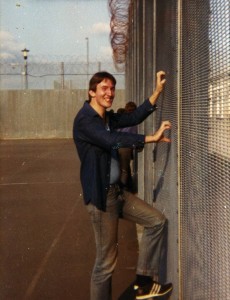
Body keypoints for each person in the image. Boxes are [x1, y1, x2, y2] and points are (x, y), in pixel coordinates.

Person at [73, 70, 173, 300]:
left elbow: (134, 117)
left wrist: (157, 92)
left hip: (117, 193)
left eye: (112, 88)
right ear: (91, 92)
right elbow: (111, 140)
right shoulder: (85, 120)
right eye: (104, 89)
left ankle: (144, 283)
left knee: (157, 221)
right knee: (106, 263)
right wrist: (150, 138)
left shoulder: (106, 118)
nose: (110, 93)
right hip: (102, 199)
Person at [117, 102, 138, 192]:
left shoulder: (122, 119)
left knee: (121, 168)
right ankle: (123, 190)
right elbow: (133, 136)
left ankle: (126, 186)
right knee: (124, 169)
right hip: (125, 147)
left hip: (117, 145)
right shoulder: (133, 121)